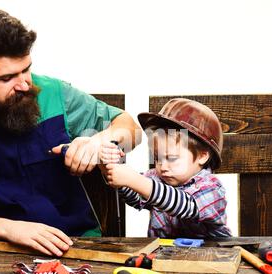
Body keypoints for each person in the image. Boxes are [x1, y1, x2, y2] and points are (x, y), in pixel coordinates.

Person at [0, 7, 141, 257]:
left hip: (75, 246)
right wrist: (9, 229)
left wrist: (103, 139)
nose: (24, 84)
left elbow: (132, 131)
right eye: (7, 77)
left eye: (26, 69)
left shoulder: (55, 94)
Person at [99, 98, 232, 238]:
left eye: (172, 158)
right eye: (157, 158)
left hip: (212, 256)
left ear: (202, 156)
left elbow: (185, 206)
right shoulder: (157, 178)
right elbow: (135, 197)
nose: (162, 166)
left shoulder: (211, 187)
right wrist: (110, 168)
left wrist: (135, 180)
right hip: (165, 256)